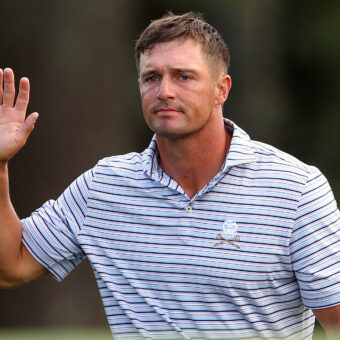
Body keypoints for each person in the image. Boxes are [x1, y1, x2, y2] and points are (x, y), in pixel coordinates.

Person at [0, 11, 340, 340]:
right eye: (152, 77)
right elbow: (11, 264)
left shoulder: (297, 189)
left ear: (222, 89)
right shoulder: (103, 187)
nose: (164, 91)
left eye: (183, 76)